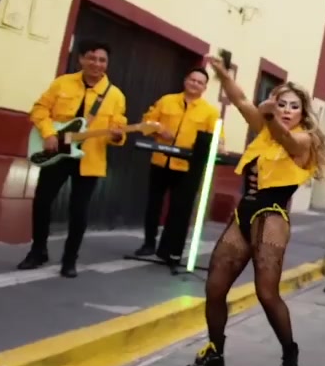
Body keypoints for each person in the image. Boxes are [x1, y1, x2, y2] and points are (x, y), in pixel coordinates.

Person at [183, 57, 325, 366]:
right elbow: (239, 100)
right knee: (215, 288)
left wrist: (270, 115)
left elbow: (288, 142)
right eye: (282, 103)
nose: (287, 110)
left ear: (303, 113)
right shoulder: (264, 128)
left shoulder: (305, 139)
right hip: (243, 213)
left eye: (294, 106)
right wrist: (223, 74)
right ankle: (215, 352)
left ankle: (290, 355)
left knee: (266, 293)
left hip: (272, 216)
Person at [18, 40, 128, 278]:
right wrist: (48, 134)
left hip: (89, 158)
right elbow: (39, 109)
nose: (97, 64)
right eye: (92, 58)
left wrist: (117, 136)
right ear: (81, 59)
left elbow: (118, 129)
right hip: (57, 152)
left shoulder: (116, 95)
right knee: (42, 202)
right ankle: (38, 251)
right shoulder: (62, 83)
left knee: (79, 210)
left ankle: (70, 259)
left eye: (102, 60)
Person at [134, 67, 221, 265]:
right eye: (192, 80)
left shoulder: (210, 112)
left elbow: (216, 138)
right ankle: (148, 243)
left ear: (205, 87)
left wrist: (218, 145)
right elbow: (146, 121)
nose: (195, 84)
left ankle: (168, 248)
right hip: (160, 161)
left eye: (200, 82)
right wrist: (159, 129)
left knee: (178, 209)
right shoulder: (166, 101)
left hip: (185, 167)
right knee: (153, 205)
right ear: (185, 80)